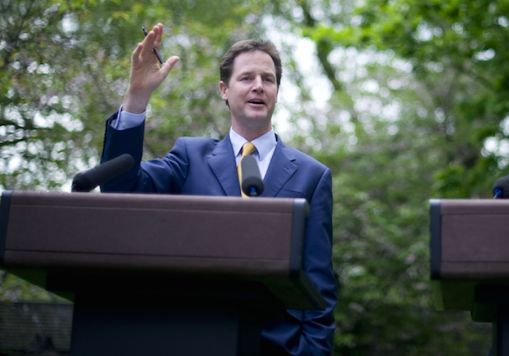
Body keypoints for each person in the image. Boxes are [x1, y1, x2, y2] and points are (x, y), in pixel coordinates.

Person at [100, 24, 337, 355]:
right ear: (224, 90)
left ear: (277, 91)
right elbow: (118, 192)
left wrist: (312, 351)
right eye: (247, 78)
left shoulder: (313, 176)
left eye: (268, 79)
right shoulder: (188, 157)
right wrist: (137, 98)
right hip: (194, 338)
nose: (258, 86)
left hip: (278, 347)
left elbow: (319, 284)